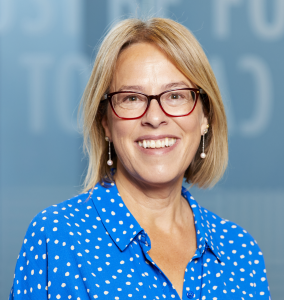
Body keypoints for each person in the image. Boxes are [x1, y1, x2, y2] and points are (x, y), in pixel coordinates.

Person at [9, 18, 271, 300]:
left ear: (205, 116)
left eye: (175, 95)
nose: (155, 118)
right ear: (106, 122)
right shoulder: (58, 237)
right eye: (132, 98)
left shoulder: (240, 251)